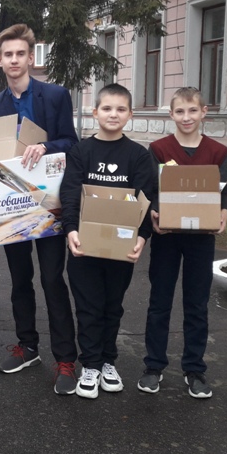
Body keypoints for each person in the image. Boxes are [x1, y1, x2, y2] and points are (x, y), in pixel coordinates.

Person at [0, 24, 79, 395]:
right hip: (11, 204)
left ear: (30, 57)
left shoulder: (55, 96)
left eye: (20, 54)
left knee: (52, 279)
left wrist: (47, 147)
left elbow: (71, 142)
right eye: (7, 54)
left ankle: (66, 360)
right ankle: (27, 347)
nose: (14, 60)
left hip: (49, 203)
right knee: (19, 278)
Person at [59, 83, 156, 399]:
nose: (113, 114)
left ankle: (107, 362)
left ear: (130, 114)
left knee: (112, 307)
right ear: (95, 112)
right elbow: (70, 192)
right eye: (107, 108)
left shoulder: (138, 155)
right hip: (84, 246)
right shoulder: (81, 152)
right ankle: (90, 365)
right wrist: (71, 230)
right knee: (88, 307)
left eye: (120, 109)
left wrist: (142, 237)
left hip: (120, 247)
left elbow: (145, 198)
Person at [138, 87, 227, 399]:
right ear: (171, 115)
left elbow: (223, 191)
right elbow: (151, 189)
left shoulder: (217, 151)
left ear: (204, 112)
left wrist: (224, 212)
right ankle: (153, 366)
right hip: (167, 237)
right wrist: (153, 212)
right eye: (180, 111)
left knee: (197, 305)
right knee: (159, 302)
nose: (186, 117)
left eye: (192, 111)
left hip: (201, 240)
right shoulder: (159, 149)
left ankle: (194, 369)